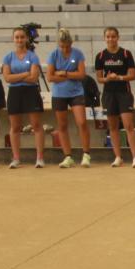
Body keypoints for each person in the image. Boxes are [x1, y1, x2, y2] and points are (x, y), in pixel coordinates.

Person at [94, 27, 135, 168]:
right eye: (108, 36)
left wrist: (119, 77)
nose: (111, 39)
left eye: (113, 36)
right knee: (112, 126)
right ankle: (118, 157)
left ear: (117, 37)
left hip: (124, 93)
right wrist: (107, 78)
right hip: (108, 94)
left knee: (128, 125)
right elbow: (99, 79)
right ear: (104, 38)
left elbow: (132, 75)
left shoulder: (126, 54)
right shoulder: (100, 56)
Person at [1, 25, 44, 169]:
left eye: (22, 37)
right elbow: (7, 78)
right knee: (15, 126)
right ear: (13, 39)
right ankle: (16, 158)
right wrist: (24, 74)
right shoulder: (8, 57)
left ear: (26, 38)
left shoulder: (33, 56)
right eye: (17, 37)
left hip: (31, 92)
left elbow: (33, 78)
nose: (19, 39)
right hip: (14, 93)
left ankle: (39, 158)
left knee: (36, 125)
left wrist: (17, 77)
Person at [47, 29, 89, 169]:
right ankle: (68, 156)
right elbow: (50, 77)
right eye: (62, 46)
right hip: (59, 94)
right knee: (62, 125)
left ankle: (86, 154)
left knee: (81, 122)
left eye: (67, 45)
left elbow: (82, 74)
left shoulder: (78, 54)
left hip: (76, 92)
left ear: (71, 43)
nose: (65, 48)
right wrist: (72, 74)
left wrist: (64, 73)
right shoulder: (53, 55)